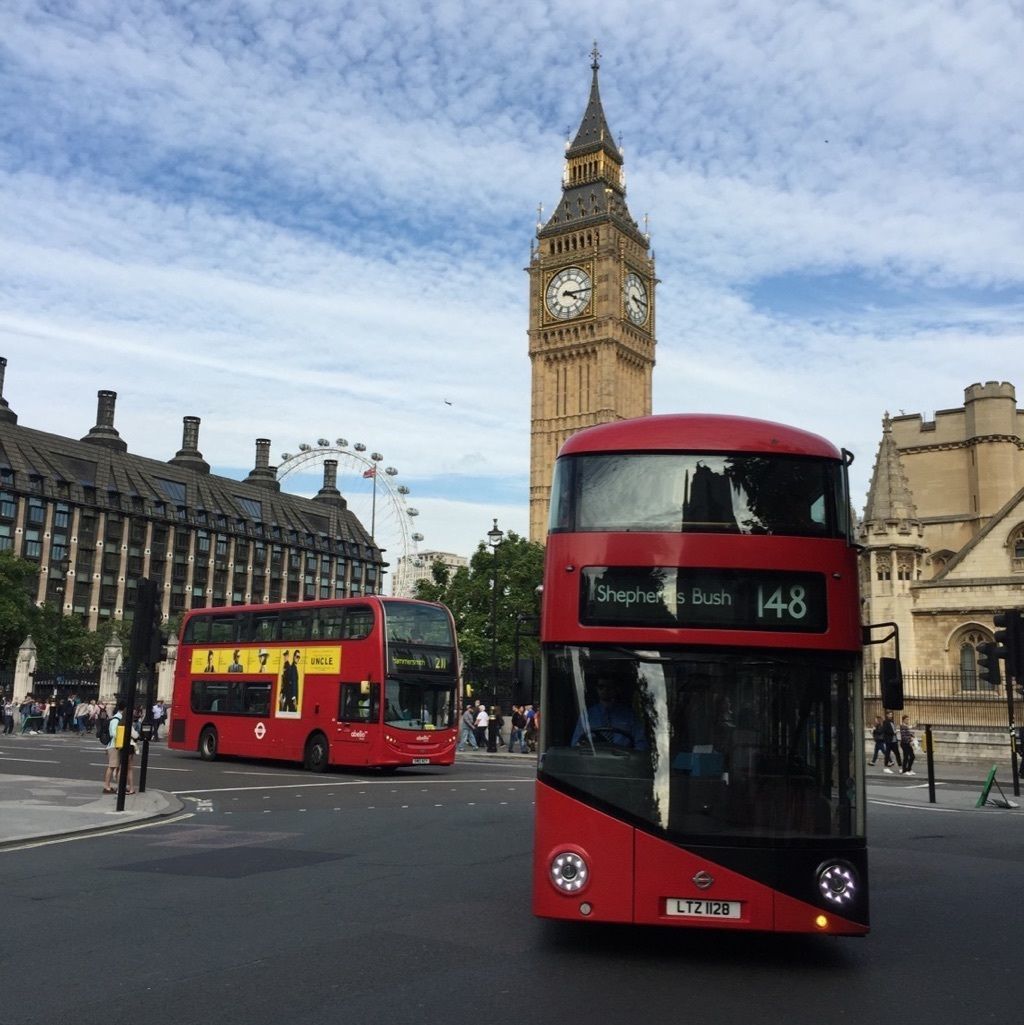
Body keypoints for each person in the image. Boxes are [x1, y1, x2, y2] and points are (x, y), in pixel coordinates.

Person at [571, 676, 647, 749]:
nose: (605, 690)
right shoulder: (586, 716)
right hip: (593, 760)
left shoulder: (630, 716)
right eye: (601, 687)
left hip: (623, 760)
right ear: (596, 689)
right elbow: (575, 745)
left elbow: (641, 746)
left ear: (616, 689)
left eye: (609, 687)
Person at [103, 700, 137, 794]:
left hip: (119, 745)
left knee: (117, 767)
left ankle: (120, 787)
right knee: (112, 766)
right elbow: (113, 733)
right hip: (114, 746)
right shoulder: (116, 719)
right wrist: (125, 735)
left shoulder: (121, 718)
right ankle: (107, 786)